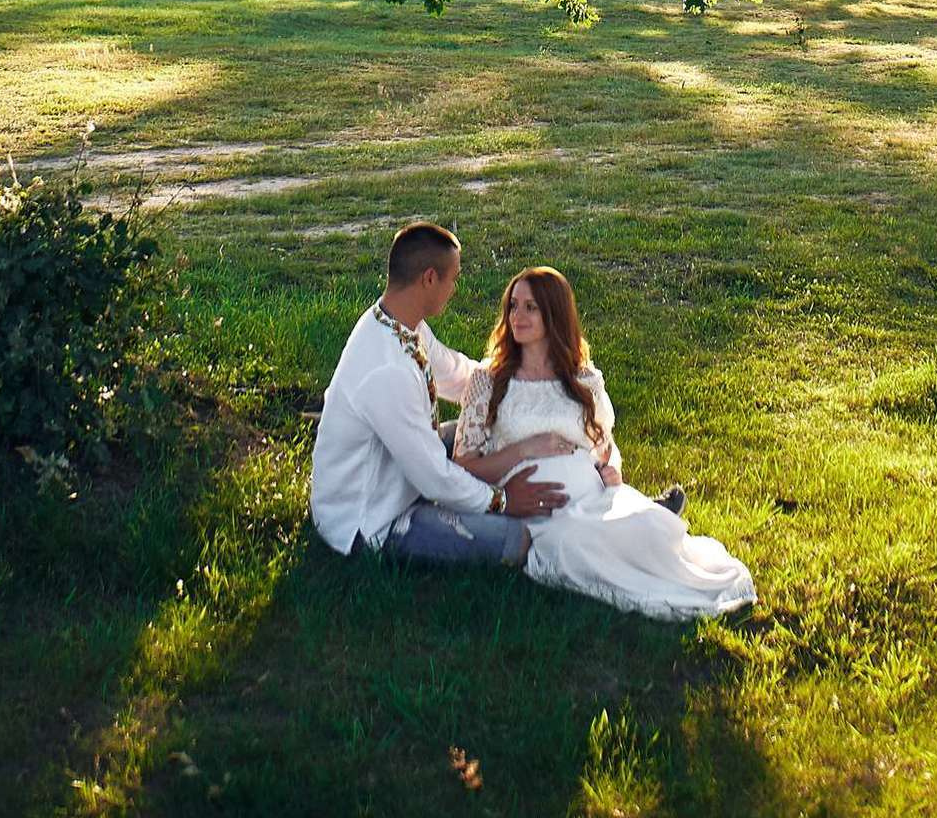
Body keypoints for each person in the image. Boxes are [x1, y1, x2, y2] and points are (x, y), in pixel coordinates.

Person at [452, 265, 755, 622]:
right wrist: (524, 449)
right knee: (577, 548)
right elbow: (463, 466)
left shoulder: (582, 378)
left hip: (594, 497)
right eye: (513, 306)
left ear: (555, 313)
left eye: (531, 307)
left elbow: (605, 447)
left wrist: (614, 472)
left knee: (651, 528)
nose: (518, 316)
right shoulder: (488, 380)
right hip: (539, 514)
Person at [310, 221, 567, 568]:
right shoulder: (386, 371)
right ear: (430, 278)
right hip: (370, 519)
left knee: (491, 434)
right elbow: (434, 477)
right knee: (514, 539)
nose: (455, 288)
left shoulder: (401, 325)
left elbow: (460, 376)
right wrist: (503, 501)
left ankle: (604, 510)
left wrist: (531, 380)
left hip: (406, 474)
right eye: (453, 278)